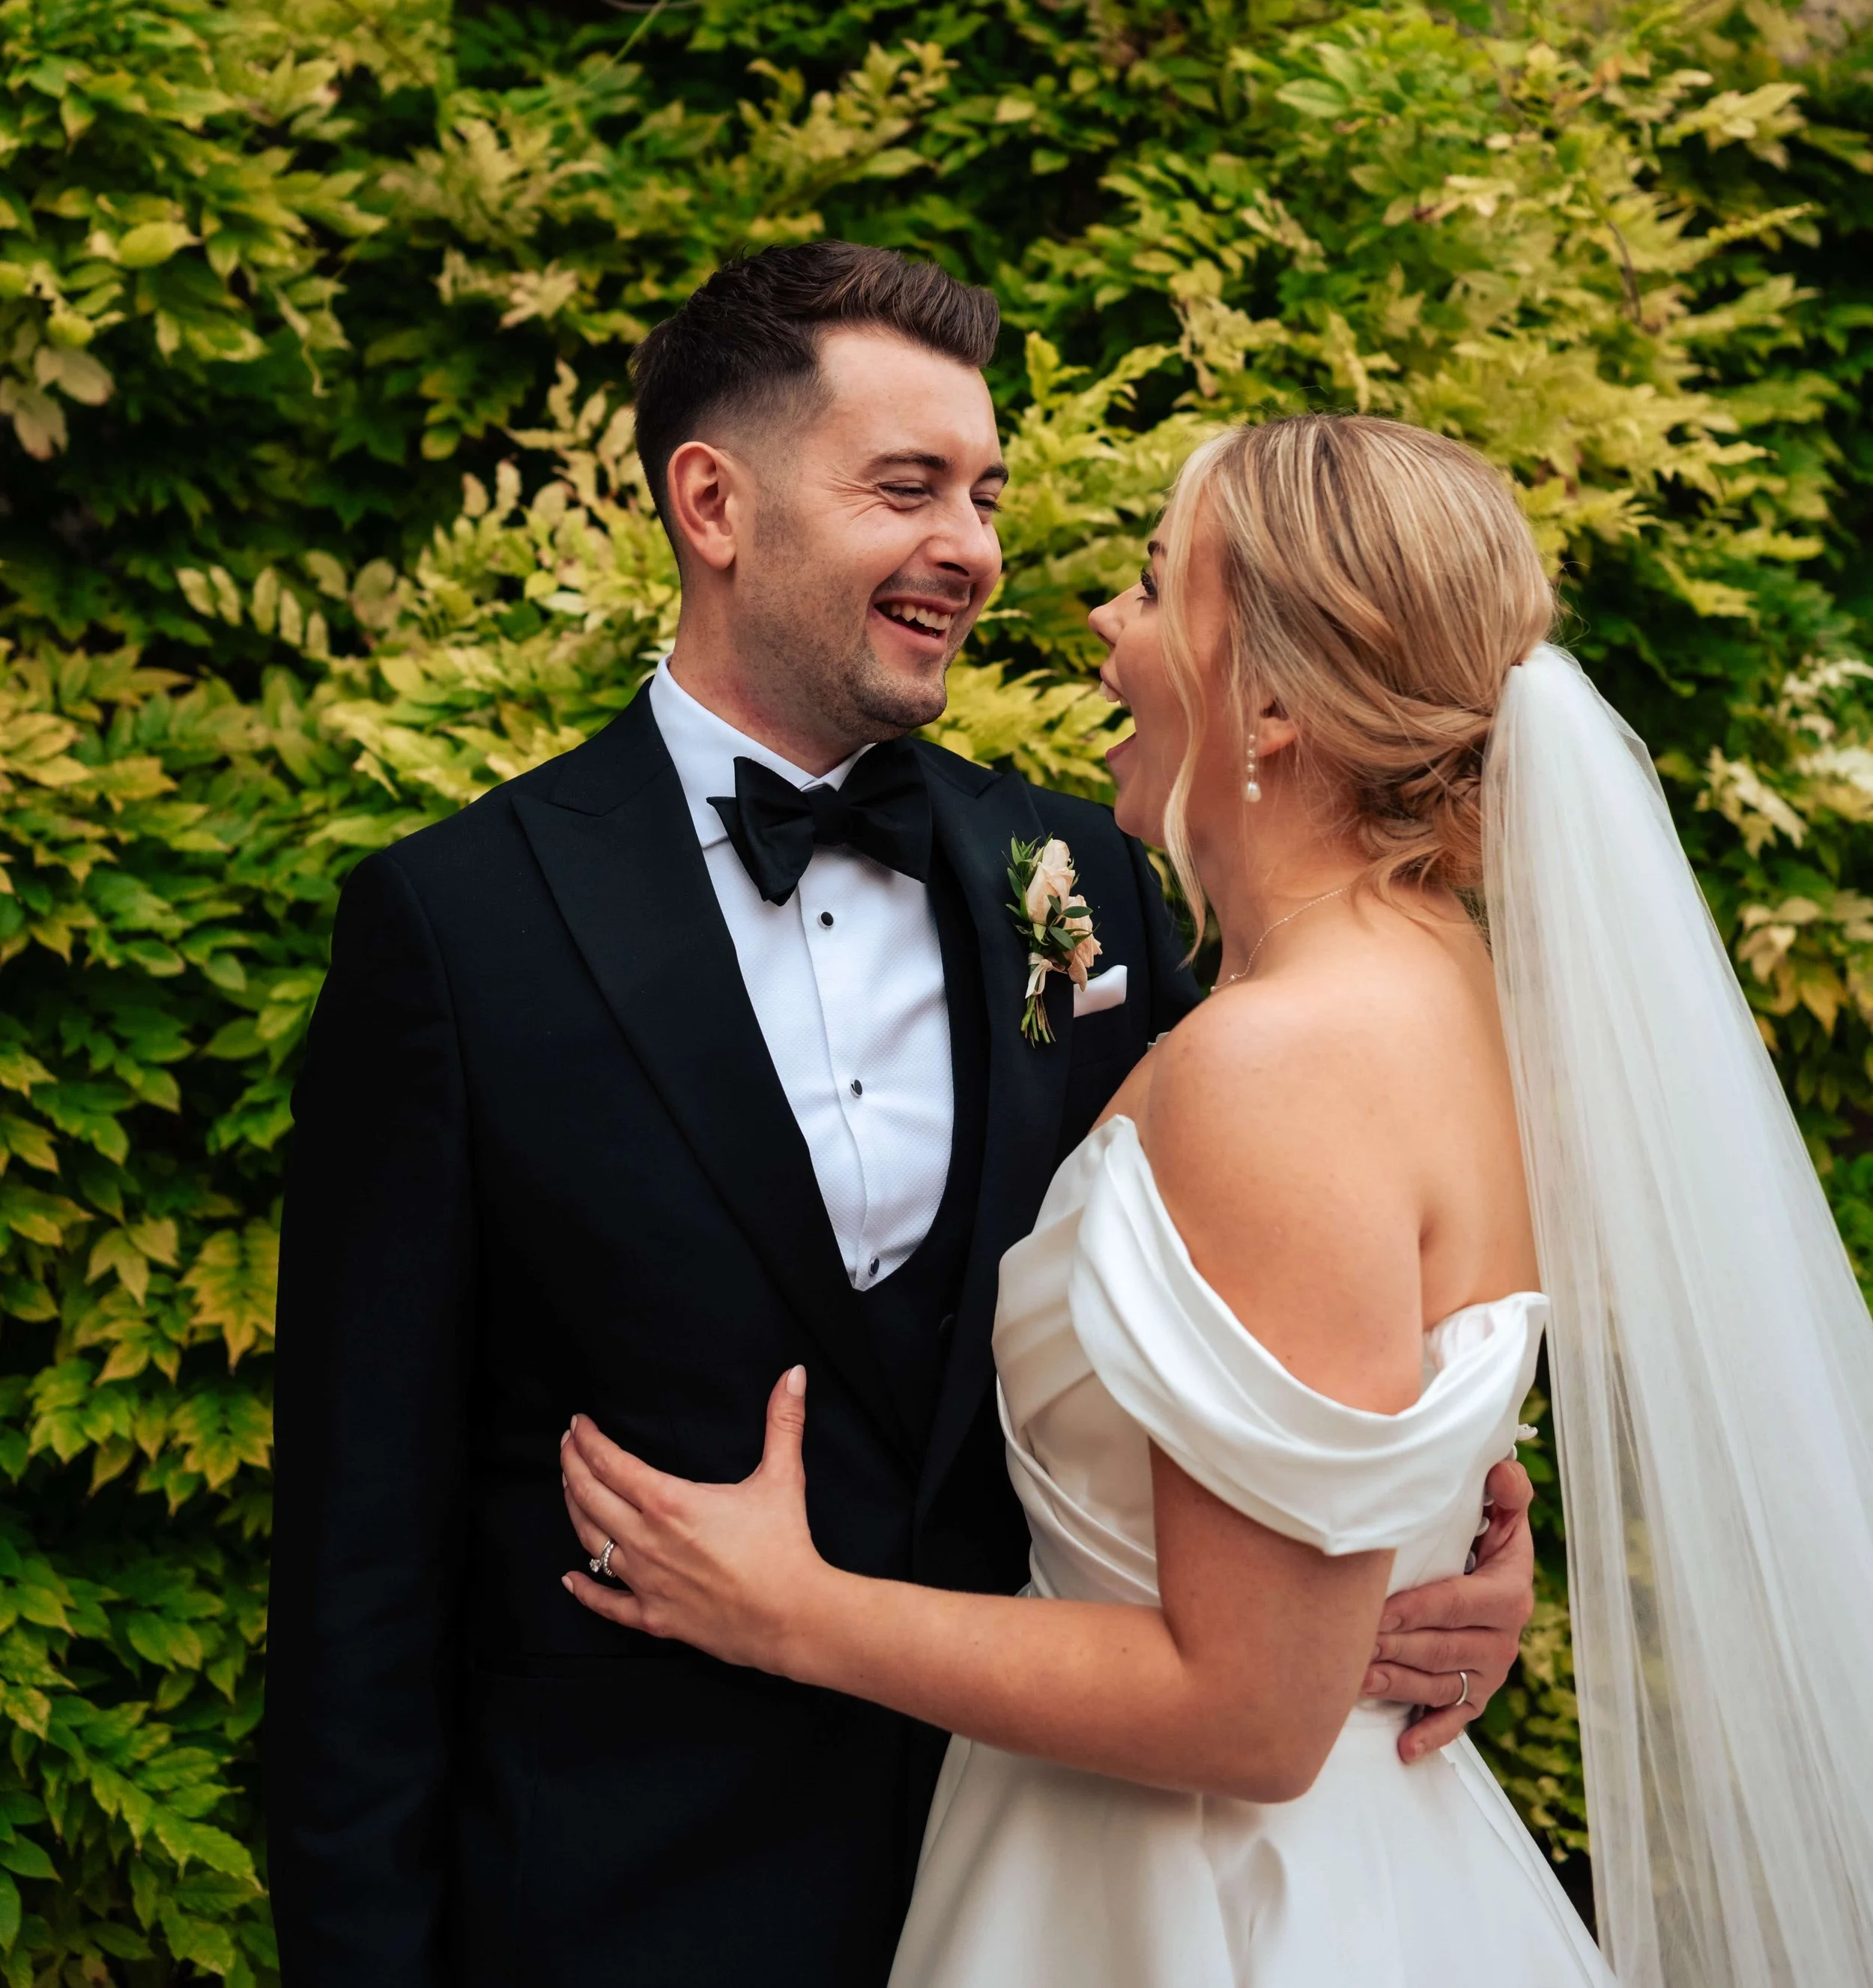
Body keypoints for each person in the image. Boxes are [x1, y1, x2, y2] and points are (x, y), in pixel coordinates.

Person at [265, 269, 1537, 1988]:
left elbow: (1279, 1312)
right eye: (907, 487)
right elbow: (361, 1564)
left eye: (987, 493)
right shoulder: (454, 930)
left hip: (1082, 1874)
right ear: (711, 503)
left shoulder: (1080, 881)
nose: (978, 549)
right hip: (634, 1910)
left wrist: (1447, 1530)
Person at [555, 410, 1873, 1986]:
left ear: (1265, 698)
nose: (1101, 628)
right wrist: (1444, 1538)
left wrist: (789, 1611)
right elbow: (1354, 1428)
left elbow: (1247, 1715)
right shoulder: (1444, 986)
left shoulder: (1280, 1061)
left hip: (1202, 1902)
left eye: (1151, 583)